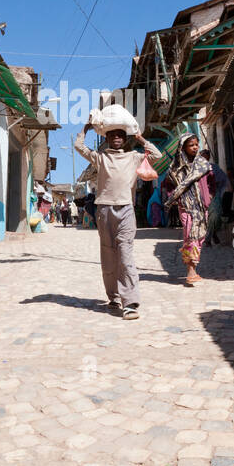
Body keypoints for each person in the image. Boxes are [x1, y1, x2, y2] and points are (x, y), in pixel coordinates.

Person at [74, 122, 161, 319]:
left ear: (125, 138)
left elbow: (157, 155)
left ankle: (130, 302)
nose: (116, 138)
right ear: (106, 139)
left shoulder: (134, 157)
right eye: (112, 135)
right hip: (104, 210)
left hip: (126, 211)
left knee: (125, 254)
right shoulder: (101, 158)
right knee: (108, 256)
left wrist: (140, 138)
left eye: (120, 135)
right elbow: (80, 147)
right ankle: (112, 297)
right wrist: (85, 130)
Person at [163, 134, 213, 285]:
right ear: (183, 147)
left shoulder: (203, 164)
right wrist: (178, 198)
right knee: (190, 237)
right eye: (191, 145)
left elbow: (212, 182)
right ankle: (190, 271)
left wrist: (207, 197)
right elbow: (169, 186)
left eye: (197, 144)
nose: (195, 147)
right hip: (186, 207)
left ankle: (193, 268)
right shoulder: (175, 168)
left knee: (199, 237)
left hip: (201, 207)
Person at [201, 148, 228, 246]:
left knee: (216, 215)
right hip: (201, 196)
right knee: (206, 218)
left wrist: (217, 188)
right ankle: (209, 238)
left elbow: (223, 178)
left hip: (214, 195)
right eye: (203, 155)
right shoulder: (196, 169)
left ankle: (213, 233)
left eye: (207, 155)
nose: (205, 157)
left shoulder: (214, 167)